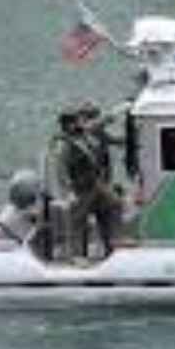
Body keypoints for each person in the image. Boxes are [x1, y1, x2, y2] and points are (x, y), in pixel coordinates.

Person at [50, 104, 122, 257]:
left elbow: (97, 126)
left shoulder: (83, 135)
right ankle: (78, 256)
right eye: (76, 121)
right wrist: (68, 192)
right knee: (77, 223)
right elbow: (60, 170)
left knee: (113, 205)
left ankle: (112, 248)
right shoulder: (64, 144)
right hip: (80, 189)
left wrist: (114, 115)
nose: (80, 123)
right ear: (68, 124)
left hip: (95, 185)